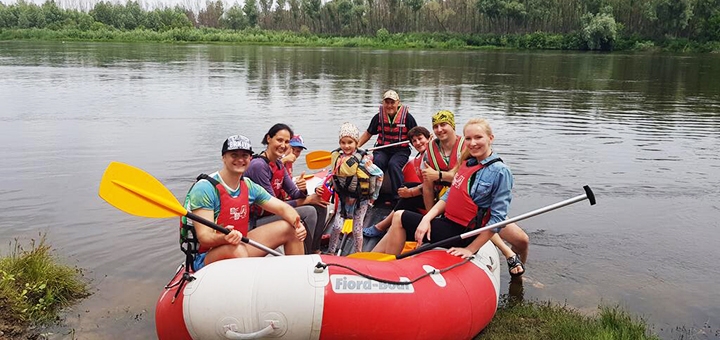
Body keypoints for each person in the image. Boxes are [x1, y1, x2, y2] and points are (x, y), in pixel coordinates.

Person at [372, 118, 529, 277]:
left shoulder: (500, 172)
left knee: (399, 216)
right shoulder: (468, 163)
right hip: (449, 223)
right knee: (399, 222)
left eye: (478, 137)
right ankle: (369, 263)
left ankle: (387, 273)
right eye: (468, 138)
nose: (472, 143)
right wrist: (427, 219)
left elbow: (498, 219)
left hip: (464, 233)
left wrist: (470, 249)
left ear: (490, 138)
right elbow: (449, 195)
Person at [180, 135, 306, 271]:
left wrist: (297, 224)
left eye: (245, 155)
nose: (240, 160)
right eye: (234, 155)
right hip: (204, 256)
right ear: (224, 158)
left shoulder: (248, 185)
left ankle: (296, 276)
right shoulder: (205, 188)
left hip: (237, 243)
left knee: (290, 229)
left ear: (250, 159)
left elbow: (282, 208)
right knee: (237, 250)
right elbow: (205, 237)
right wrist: (224, 238)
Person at [244, 124, 329, 254]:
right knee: (310, 211)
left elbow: (294, 193)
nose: (283, 145)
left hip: (273, 212)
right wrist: (307, 200)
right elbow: (273, 207)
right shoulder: (259, 166)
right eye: (279, 140)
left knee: (321, 205)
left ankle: (314, 248)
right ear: (268, 139)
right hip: (256, 221)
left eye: (287, 142)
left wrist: (303, 190)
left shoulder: (278, 164)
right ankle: (308, 254)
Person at [362, 126, 432, 238]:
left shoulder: (430, 157)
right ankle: (393, 216)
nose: (418, 143)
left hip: (433, 197)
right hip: (427, 192)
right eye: (414, 141)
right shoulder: (421, 157)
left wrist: (411, 192)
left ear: (429, 138)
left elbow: (431, 185)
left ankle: (381, 227)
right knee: (405, 187)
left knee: (406, 197)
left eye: (420, 138)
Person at [327, 122, 384, 255]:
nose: (346, 146)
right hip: (343, 197)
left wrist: (374, 197)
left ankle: (358, 253)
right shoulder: (338, 158)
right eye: (343, 142)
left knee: (356, 229)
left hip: (361, 200)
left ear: (356, 142)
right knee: (336, 227)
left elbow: (379, 174)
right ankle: (330, 252)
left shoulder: (363, 160)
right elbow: (333, 174)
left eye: (350, 142)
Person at [357, 90, 418, 203]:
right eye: (387, 102)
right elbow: (368, 133)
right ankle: (374, 197)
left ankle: (398, 198)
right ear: (383, 103)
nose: (389, 105)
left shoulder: (407, 118)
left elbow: (417, 134)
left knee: (393, 164)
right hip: (382, 149)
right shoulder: (378, 117)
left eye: (392, 102)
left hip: (401, 150)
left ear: (398, 103)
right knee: (378, 163)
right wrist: (356, 147)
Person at [422, 110, 465, 212]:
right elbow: (427, 187)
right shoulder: (429, 152)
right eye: (435, 127)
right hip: (439, 198)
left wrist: (439, 175)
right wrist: (429, 214)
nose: (439, 129)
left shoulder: (467, 148)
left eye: (443, 125)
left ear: (452, 126)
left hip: (461, 200)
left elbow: (466, 180)